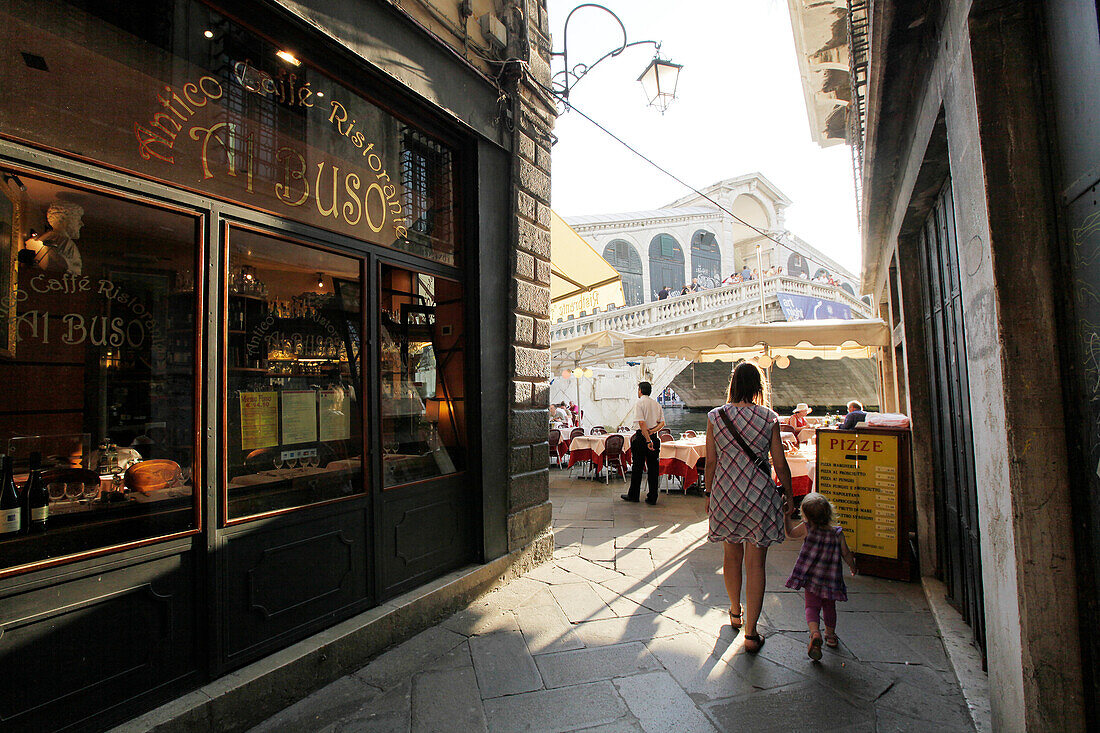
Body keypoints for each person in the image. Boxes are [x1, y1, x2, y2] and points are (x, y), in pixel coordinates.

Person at [704, 362, 793, 653]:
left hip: (726, 494)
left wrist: (708, 492)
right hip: (759, 496)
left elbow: (712, 462)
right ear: (758, 387)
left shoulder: (716, 416)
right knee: (756, 564)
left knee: (731, 555)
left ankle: (734, 611)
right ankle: (752, 633)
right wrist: (790, 495)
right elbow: (779, 463)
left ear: (732, 385)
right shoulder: (769, 418)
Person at [784, 493, 858, 660]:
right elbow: (846, 554)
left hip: (812, 578)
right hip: (831, 579)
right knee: (829, 607)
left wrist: (786, 516)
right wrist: (853, 567)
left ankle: (815, 632)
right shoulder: (837, 533)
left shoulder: (807, 527)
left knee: (811, 606)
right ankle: (830, 636)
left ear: (806, 515)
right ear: (829, 513)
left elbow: (790, 534)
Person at [622, 381, 665, 505]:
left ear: (640, 390)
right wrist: (652, 432)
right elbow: (662, 424)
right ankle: (652, 497)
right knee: (653, 469)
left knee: (638, 467)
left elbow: (641, 423)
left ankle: (634, 495)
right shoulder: (657, 404)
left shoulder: (639, 403)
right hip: (654, 437)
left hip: (642, 439)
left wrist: (647, 439)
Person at [25, 201, 84, 275]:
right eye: (77, 219)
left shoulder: (48, 238)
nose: (81, 224)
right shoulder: (64, 243)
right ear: (63, 219)